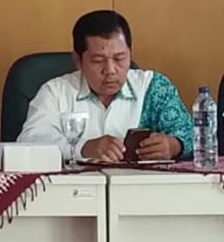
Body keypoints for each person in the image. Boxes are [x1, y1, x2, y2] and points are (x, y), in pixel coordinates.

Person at [18, 10, 192, 162]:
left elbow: (192, 134)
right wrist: (82, 148)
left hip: (140, 186)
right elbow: (29, 142)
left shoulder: (153, 88)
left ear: (130, 54)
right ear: (78, 60)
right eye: (98, 60)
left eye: (119, 58)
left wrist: (174, 146)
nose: (110, 70)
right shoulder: (55, 92)